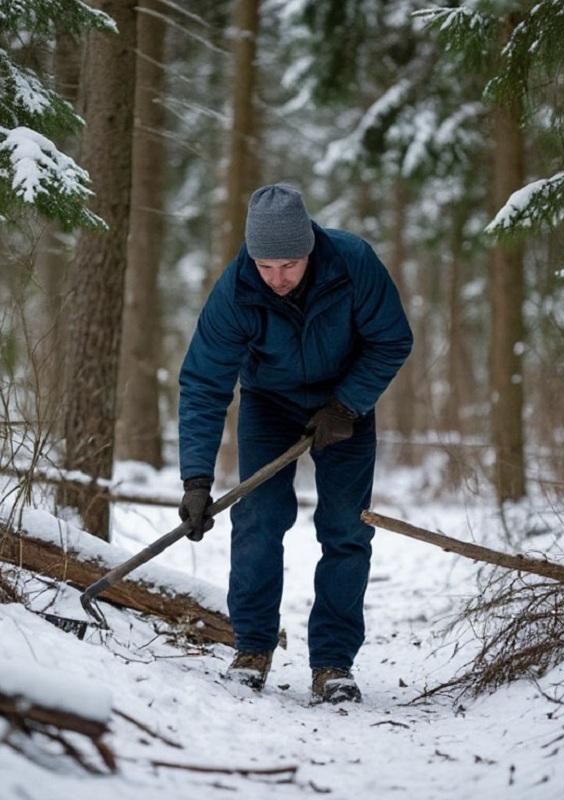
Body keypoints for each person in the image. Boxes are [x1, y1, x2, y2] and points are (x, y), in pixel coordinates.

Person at [176, 183, 413, 704]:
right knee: (259, 519)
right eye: (266, 266)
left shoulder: (352, 263)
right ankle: (252, 648)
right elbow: (203, 384)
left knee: (346, 530)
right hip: (270, 404)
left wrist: (347, 405)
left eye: (288, 265)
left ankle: (332, 663)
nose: (277, 278)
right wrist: (196, 479)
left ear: (308, 248)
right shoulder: (237, 289)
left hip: (345, 406)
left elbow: (393, 339)